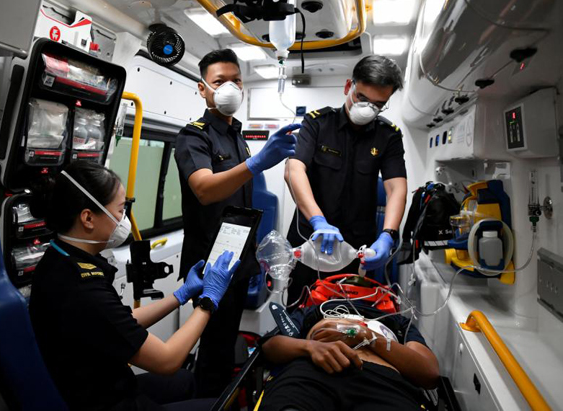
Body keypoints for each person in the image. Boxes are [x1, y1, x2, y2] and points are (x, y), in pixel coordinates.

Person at [29, 161, 239, 411]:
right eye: (120, 210)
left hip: (104, 382)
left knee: (185, 381)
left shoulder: (62, 258)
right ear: (88, 218)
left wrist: (180, 296)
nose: (124, 219)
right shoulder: (80, 288)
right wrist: (208, 301)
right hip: (104, 401)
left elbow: (121, 321)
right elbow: (168, 360)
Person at [175, 48, 300, 396]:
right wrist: (258, 162)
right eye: (219, 82)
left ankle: (218, 394)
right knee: (213, 347)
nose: (229, 87)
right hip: (209, 265)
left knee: (225, 341)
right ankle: (206, 400)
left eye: (236, 81)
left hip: (237, 260)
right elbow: (203, 189)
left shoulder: (237, 135)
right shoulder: (193, 135)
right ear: (203, 88)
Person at [284, 55, 408, 306]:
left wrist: (388, 235)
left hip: (356, 249)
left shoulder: (389, 135)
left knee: (347, 320)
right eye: (362, 98)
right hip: (310, 241)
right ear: (348, 87)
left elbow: (396, 188)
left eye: (378, 104)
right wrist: (318, 221)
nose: (367, 108)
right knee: (299, 312)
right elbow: (294, 170)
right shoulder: (317, 123)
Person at [258, 300, 440, 411]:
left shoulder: (397, 321)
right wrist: (309, 347)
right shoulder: (318, 310)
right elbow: (269, 347)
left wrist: (364, 335)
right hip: (313, 369)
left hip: (381, 381)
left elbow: (429, 374)